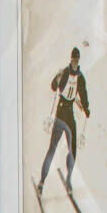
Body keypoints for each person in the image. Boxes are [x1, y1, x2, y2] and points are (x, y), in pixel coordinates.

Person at [37, 46, 90, 199]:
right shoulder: (66, 73)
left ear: (78, 60)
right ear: (71, 59)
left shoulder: (79, 77)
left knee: (72, 149)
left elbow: (83, 94)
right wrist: (56, 78)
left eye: (77, 59)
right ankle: (42, 182)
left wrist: (86, 108)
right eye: (73, 59)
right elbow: (54, 87)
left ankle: (67, 181)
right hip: (61, 114)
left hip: (67, 116)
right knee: (53, 148)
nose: (75, 61)